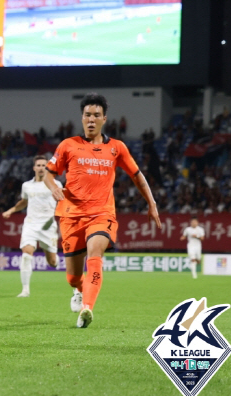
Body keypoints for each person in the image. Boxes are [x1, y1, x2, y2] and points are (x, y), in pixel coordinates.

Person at [44, 93, 161, 328]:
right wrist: (53, 187)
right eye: (87, 115)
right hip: (71, 215)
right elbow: (49, 173)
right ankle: (79, 289)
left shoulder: (117, 148)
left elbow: (137, 176)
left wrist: (152, 203)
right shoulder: (68, 145)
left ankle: (87, 308)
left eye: (96, 115)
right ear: (82, 117)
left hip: (102, 214)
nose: (91, 119)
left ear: (104, 119)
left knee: (95, 253)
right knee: (72, 277)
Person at [2, 155, 62, 298]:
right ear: (34, 168)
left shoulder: (56, 184)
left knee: (52, 262)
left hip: (48, 226)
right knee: (26, 254)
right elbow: (24, 202)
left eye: (43, 165)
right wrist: (11, 210)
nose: (41, 168)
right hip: (31, 224)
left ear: (47, 167)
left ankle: (55, 259)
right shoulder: (27, 185)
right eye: (39, 165)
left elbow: (63, 202)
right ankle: (25, 290)